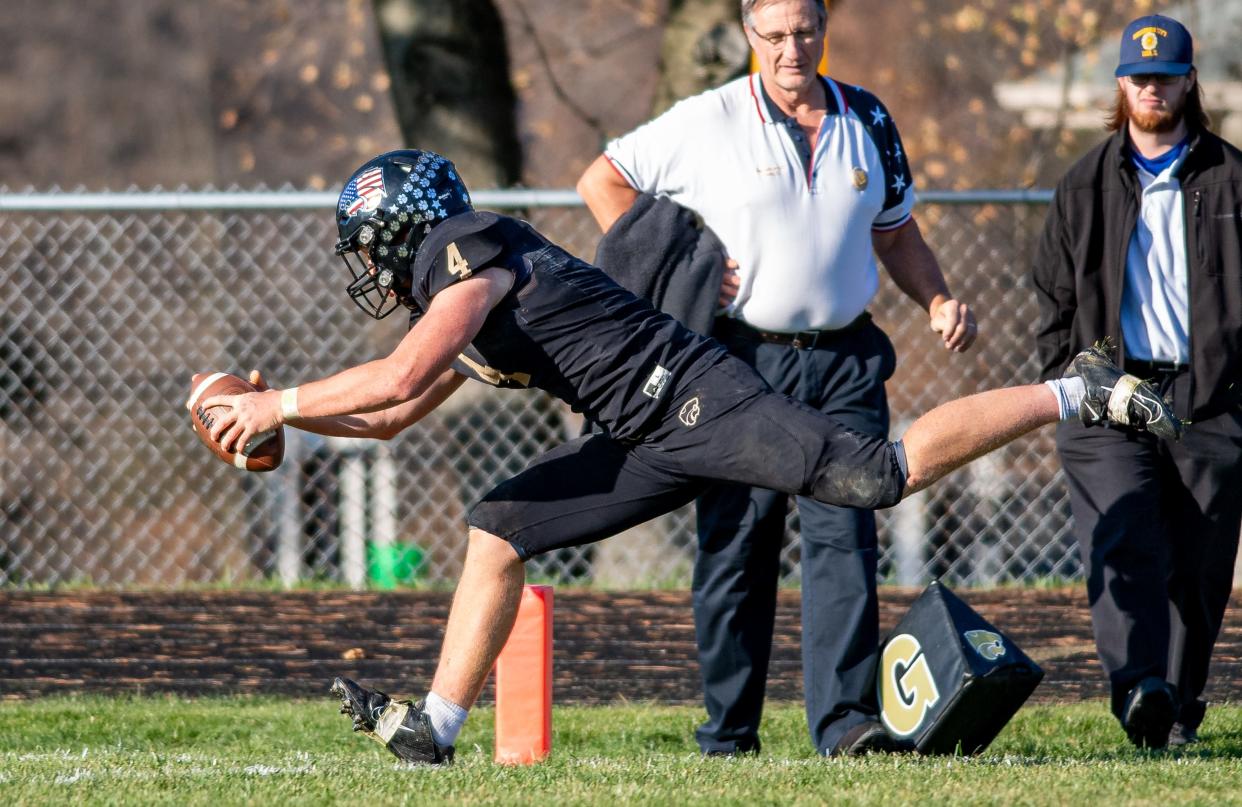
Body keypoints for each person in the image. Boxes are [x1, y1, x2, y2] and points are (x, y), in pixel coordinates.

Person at [196, 148, 1177, 765]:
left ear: (406, 230)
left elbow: (403, 369)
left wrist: (271, 402)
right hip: (642, 435)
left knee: (874, 477)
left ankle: (1072, 390)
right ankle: (436, 730)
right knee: (497, 526)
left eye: (371, 246)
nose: (369, 269)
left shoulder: (465, 250)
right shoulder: (467, 296)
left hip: (696, 399)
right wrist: (280, 422)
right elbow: (393, 413)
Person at [576, 0, 976, 757]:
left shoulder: (870, 119)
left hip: (846, 360)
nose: (792, 48)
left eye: (805, 31)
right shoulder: (709, 118)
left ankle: (845, 724)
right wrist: (678, 262)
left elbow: (895, 230)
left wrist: (937, 298)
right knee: (737, 543)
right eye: (774, 34)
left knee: (846, 537)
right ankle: (728, 730)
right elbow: (603, 179)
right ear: (747, 33)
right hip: (738, 363)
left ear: (824, 28)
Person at [1032, 13, 1242, 750]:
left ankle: (1176, 709)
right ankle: (1138, 687)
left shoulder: (1232, 178)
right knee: (1122, 537)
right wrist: (1077, 377)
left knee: (1200, 565)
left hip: (1210, 401)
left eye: (1166, 76)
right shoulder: (1083, 184)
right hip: (1107, 398)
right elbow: (1053, 301)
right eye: (1139, 77)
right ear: (1121, 83)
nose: (1152, 88)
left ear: (1189, 81)